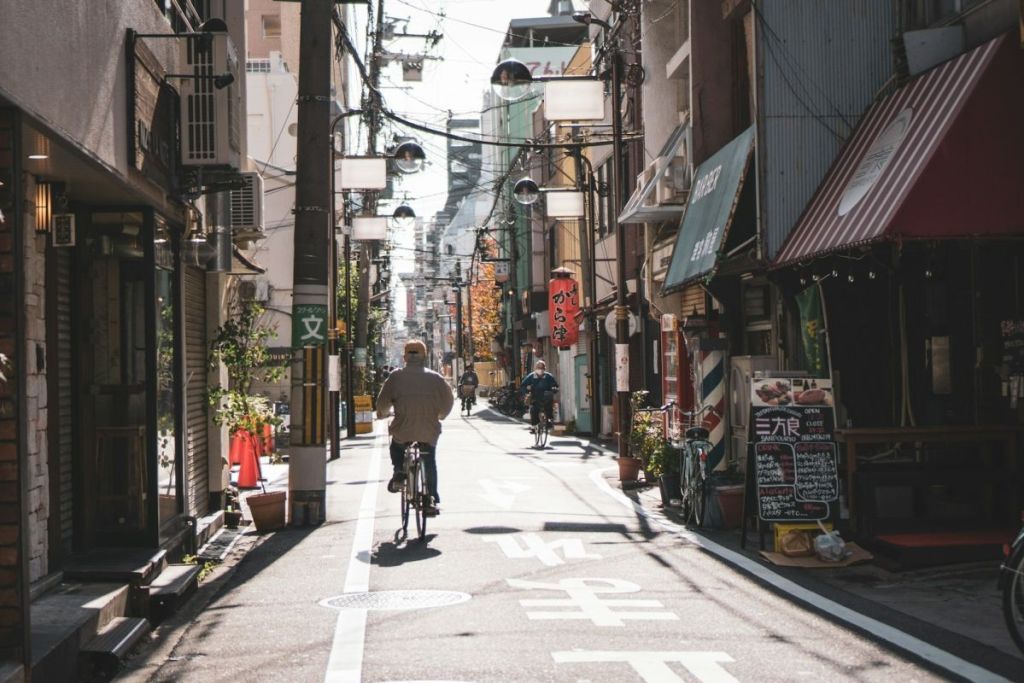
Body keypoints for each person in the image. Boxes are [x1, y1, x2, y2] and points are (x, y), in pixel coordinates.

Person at [376, 340, 454, 515]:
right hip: (429, 429)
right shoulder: (436, 378)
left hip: (403, 428)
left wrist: (382, 413)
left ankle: (398, 471)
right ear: (424, 356)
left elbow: (383, 402)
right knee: (429, 460)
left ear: (404, 357)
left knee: (397, 446)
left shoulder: (395, 377)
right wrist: (440, 415)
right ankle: (431, 498)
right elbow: (448, 401)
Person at [520, 360, 559, 433]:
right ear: (535, 368)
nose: (540, 369)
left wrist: (554, 388)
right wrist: (526, 391)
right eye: (538, 367)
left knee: (549, 405)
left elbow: (555, 385)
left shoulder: (549, 376)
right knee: (534, 410)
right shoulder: (531, 376)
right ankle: (534, 426)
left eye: (542, 367)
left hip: (546, 398)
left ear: (545, 368)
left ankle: (549, 420)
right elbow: (523, 385)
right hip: (535, 397)